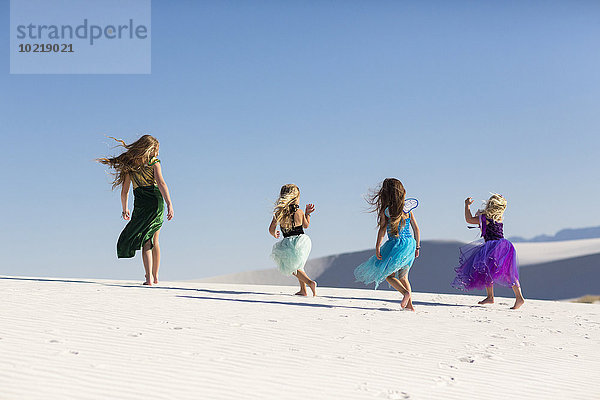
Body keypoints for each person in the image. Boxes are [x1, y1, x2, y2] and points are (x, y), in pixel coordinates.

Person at [98, 135, 174, 286]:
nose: (157, 154)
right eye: (156, 150)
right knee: (154, 240)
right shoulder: (155, 163)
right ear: (149, 149)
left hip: (140, 204)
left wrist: (124, 208)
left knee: (146, 240)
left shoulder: (130, 166)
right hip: (155, 202)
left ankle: (148, 278)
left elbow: (124, 191)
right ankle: (155, 275)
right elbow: (161, 183)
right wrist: (169, 204)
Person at [354, 178, 420, 311]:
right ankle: (410, 305)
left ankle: (405, 294)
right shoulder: (407, 210)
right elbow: (416, 229)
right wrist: (417, 246)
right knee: (403, 276)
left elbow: (382, 230)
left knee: (388, 275)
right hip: (410, 245)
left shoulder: (386, 211)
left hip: (396, 245)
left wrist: (378, 246)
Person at [452, 194, 524, 310]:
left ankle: (492, 296)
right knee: (506, 272)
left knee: (486, 269)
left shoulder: (485, 217)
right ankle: (514, 297)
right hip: (505, 246)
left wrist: (467, 206)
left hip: (492, 246)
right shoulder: (498, 217)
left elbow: (469, 220)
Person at [268, 184, 317, 296]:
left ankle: (310, 282)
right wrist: (307, 214)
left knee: (290, 265)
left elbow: (271, 229)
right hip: (303, 240)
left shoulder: (280, 212)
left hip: (289, 242)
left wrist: (274, 234)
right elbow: (306, 225)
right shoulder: (299, 211)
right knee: (299, 265)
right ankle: (303, 290)